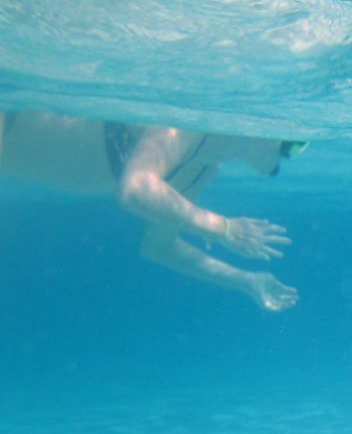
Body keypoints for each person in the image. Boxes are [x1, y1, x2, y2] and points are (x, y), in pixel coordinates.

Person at [0, 109, 304, 311]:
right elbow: (136, 188)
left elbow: (158, 247)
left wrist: (246, 281)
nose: (297, 153)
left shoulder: (201, 169)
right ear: (263, 130)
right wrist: (222, 228)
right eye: (298, 143)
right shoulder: (190, 122)